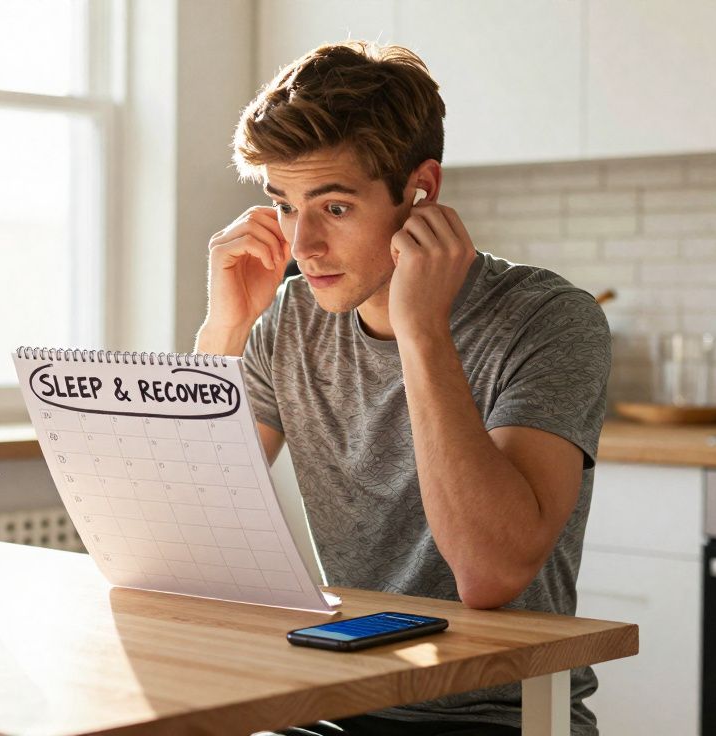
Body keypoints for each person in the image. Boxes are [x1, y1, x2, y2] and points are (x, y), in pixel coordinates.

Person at [193, 42, 611, 736]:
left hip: (499, 717)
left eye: (333, 206)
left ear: (421, 190)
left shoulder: (549, 319)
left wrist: (422, 332)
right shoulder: (286, 325)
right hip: (333, 699)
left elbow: (489, 574)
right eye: (285, 207)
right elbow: (193, 542)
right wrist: (224, 332)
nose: (303, 245)